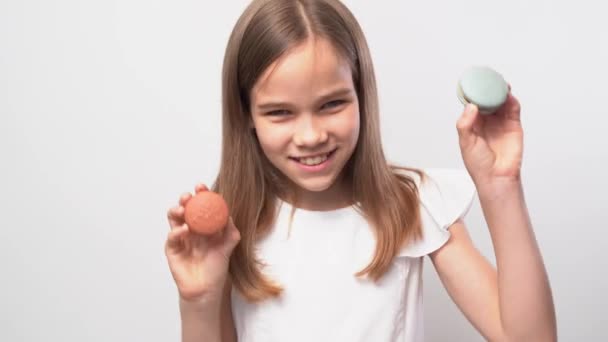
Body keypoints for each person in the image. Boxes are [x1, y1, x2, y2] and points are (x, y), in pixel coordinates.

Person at [164, 0, 557, 341]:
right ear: (246, 113)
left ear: (361, 95)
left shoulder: (415, 203)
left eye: (332, 104)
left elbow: (531, 338)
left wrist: (500, 185)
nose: (311, 135)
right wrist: (197, 300)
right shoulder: (229, 228)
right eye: (280, 112)